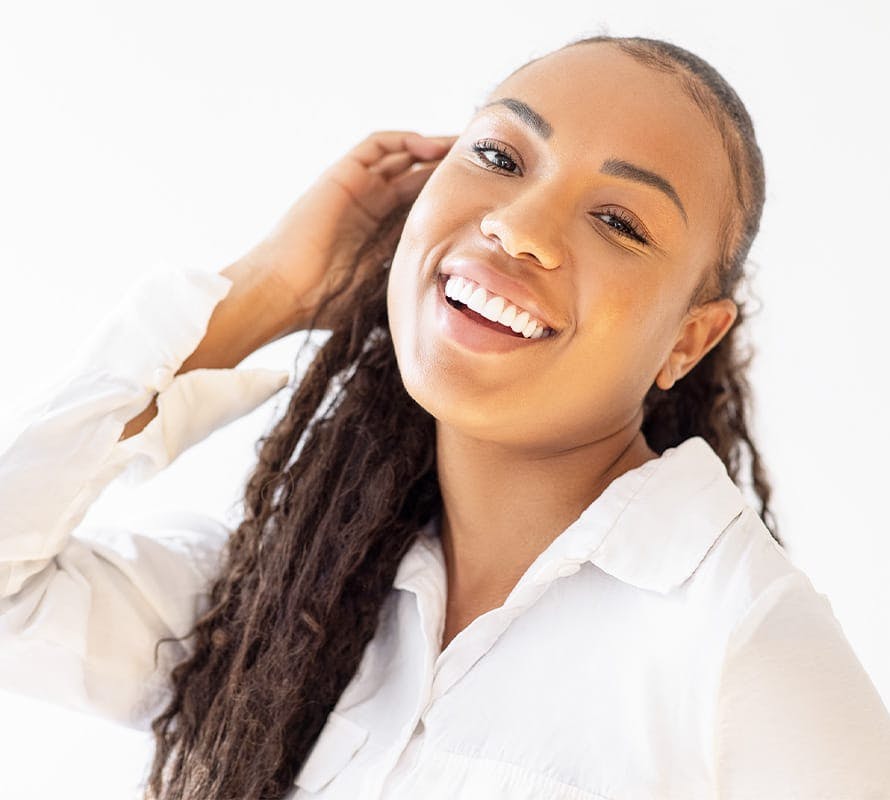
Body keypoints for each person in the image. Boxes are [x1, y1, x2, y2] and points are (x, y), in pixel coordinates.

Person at [1, 32, 888, 800]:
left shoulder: (743, 644)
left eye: (619, 220)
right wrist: (267, 289)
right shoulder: (280, 600)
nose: (520, 227)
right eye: (500, 159)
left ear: (688, 341)